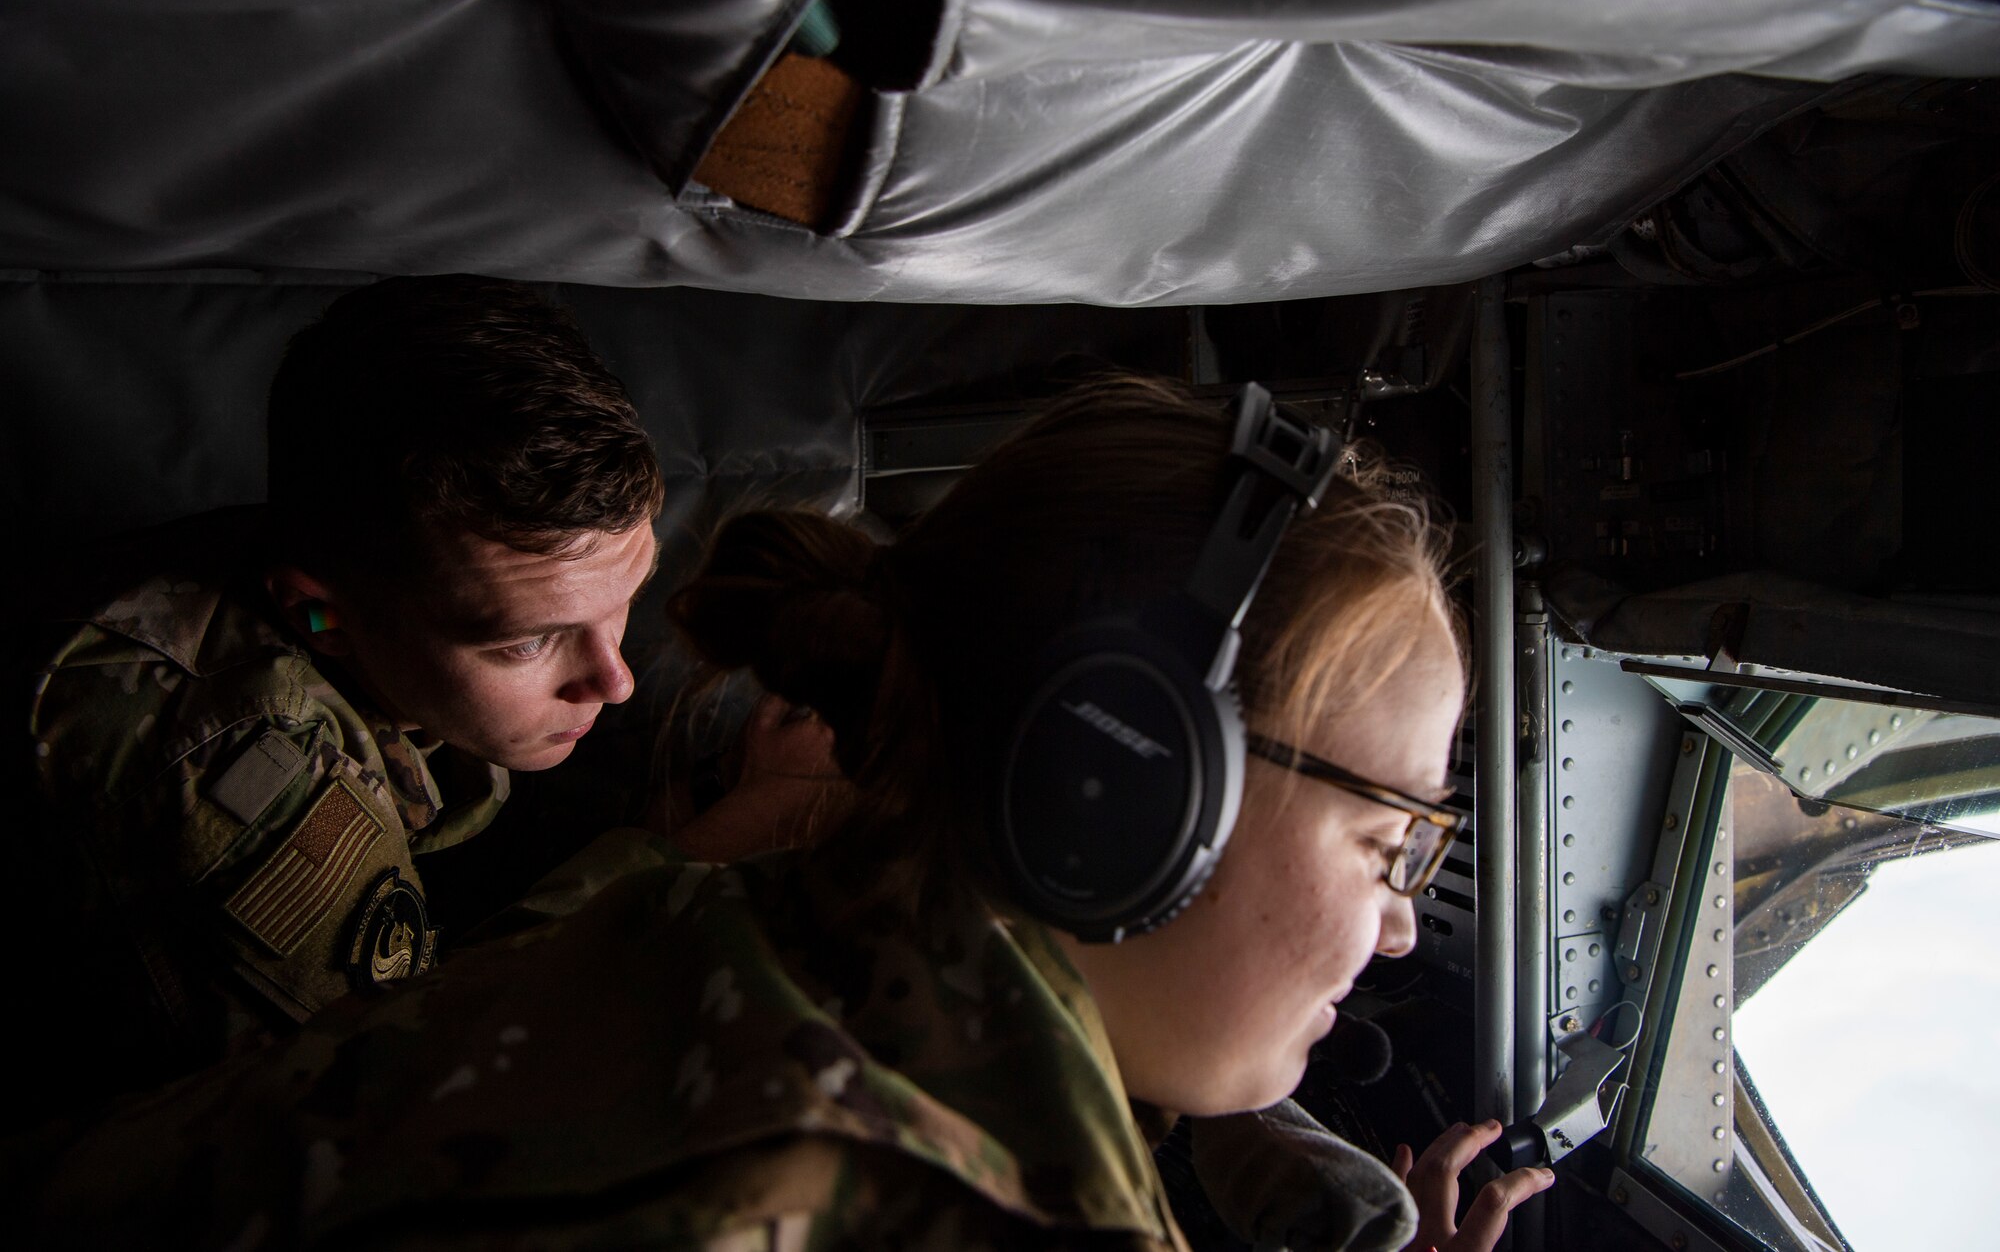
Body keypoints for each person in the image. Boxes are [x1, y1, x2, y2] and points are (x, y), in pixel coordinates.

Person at [28, 376, 1549, 1251]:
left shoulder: (706, 911)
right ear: (1125, 777)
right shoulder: (906, 1196)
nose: (1406, 915)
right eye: (1389, 832)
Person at [21, 276, 666, 1113]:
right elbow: (397, 1097)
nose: (615, 680)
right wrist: (682, 852)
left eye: (625, 600)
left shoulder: (359, 546)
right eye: (526, 640)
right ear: (317, 615)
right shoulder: (245, 774)